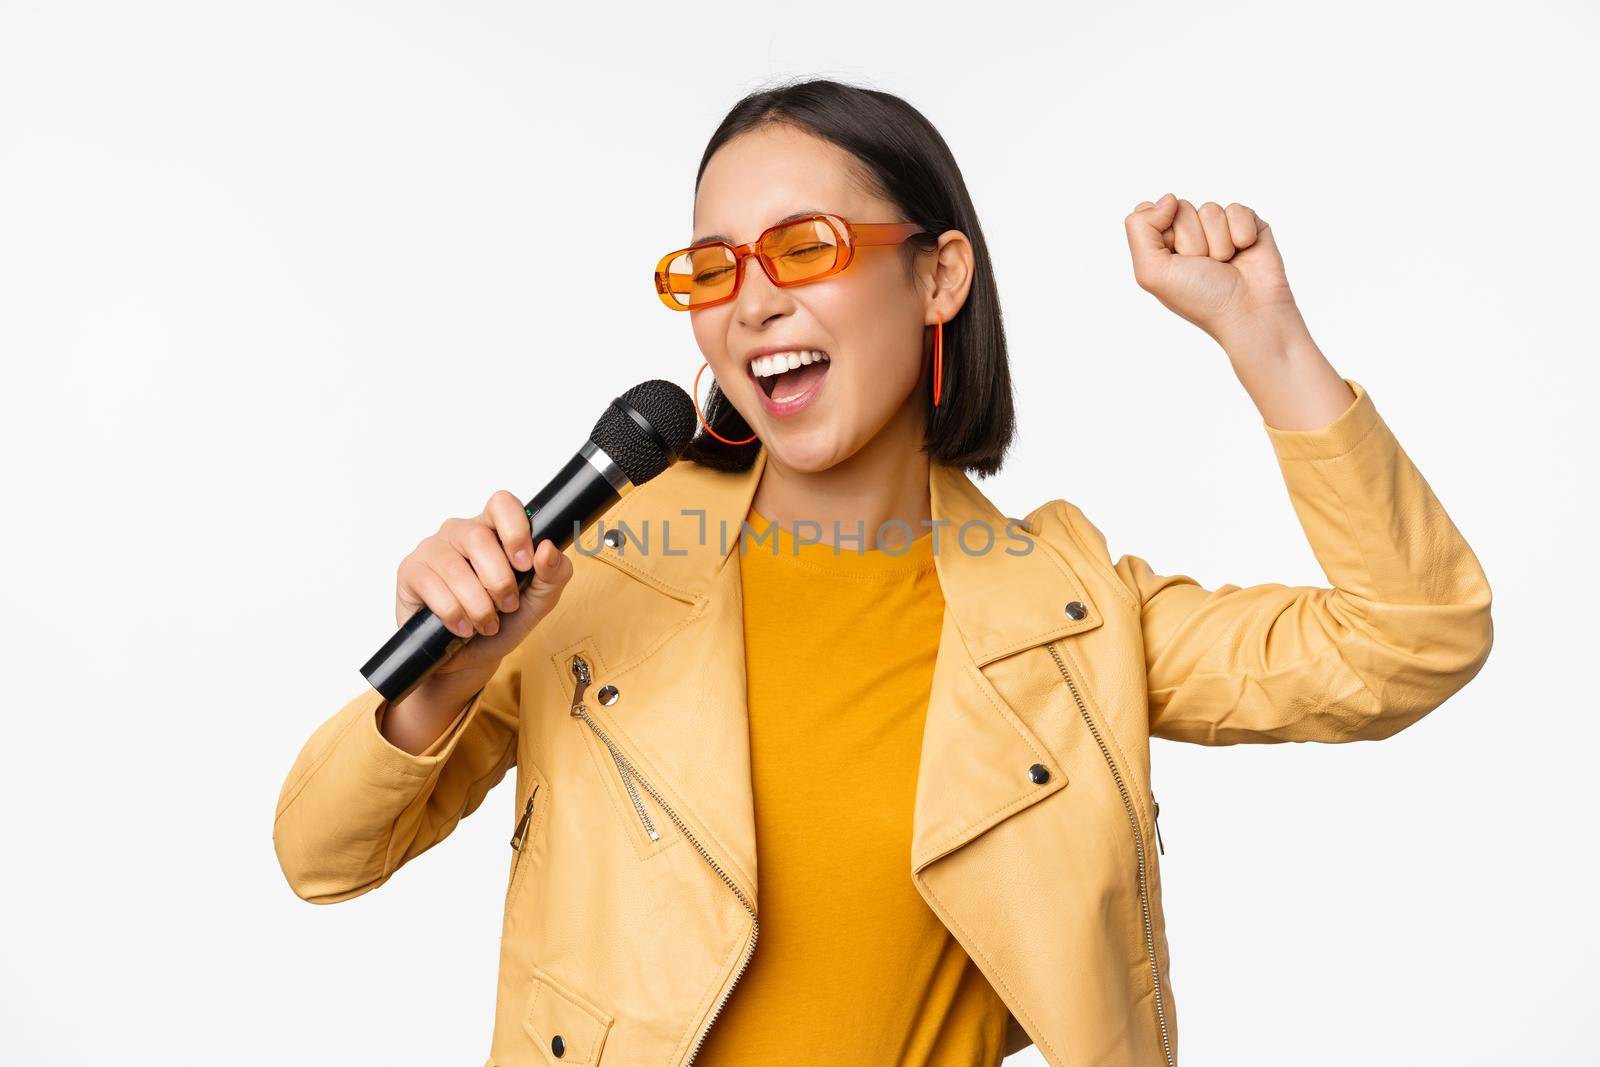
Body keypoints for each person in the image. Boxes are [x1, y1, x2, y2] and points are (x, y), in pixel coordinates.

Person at [273, 78, 1494, 1066]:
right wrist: (447, 672)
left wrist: (1263, 335)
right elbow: (321, 856)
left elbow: (1413, 633)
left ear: (938, 277)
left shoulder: (1068, 614)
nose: (749, 303)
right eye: (712, 268)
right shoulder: (596, 567)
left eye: (802, 247)